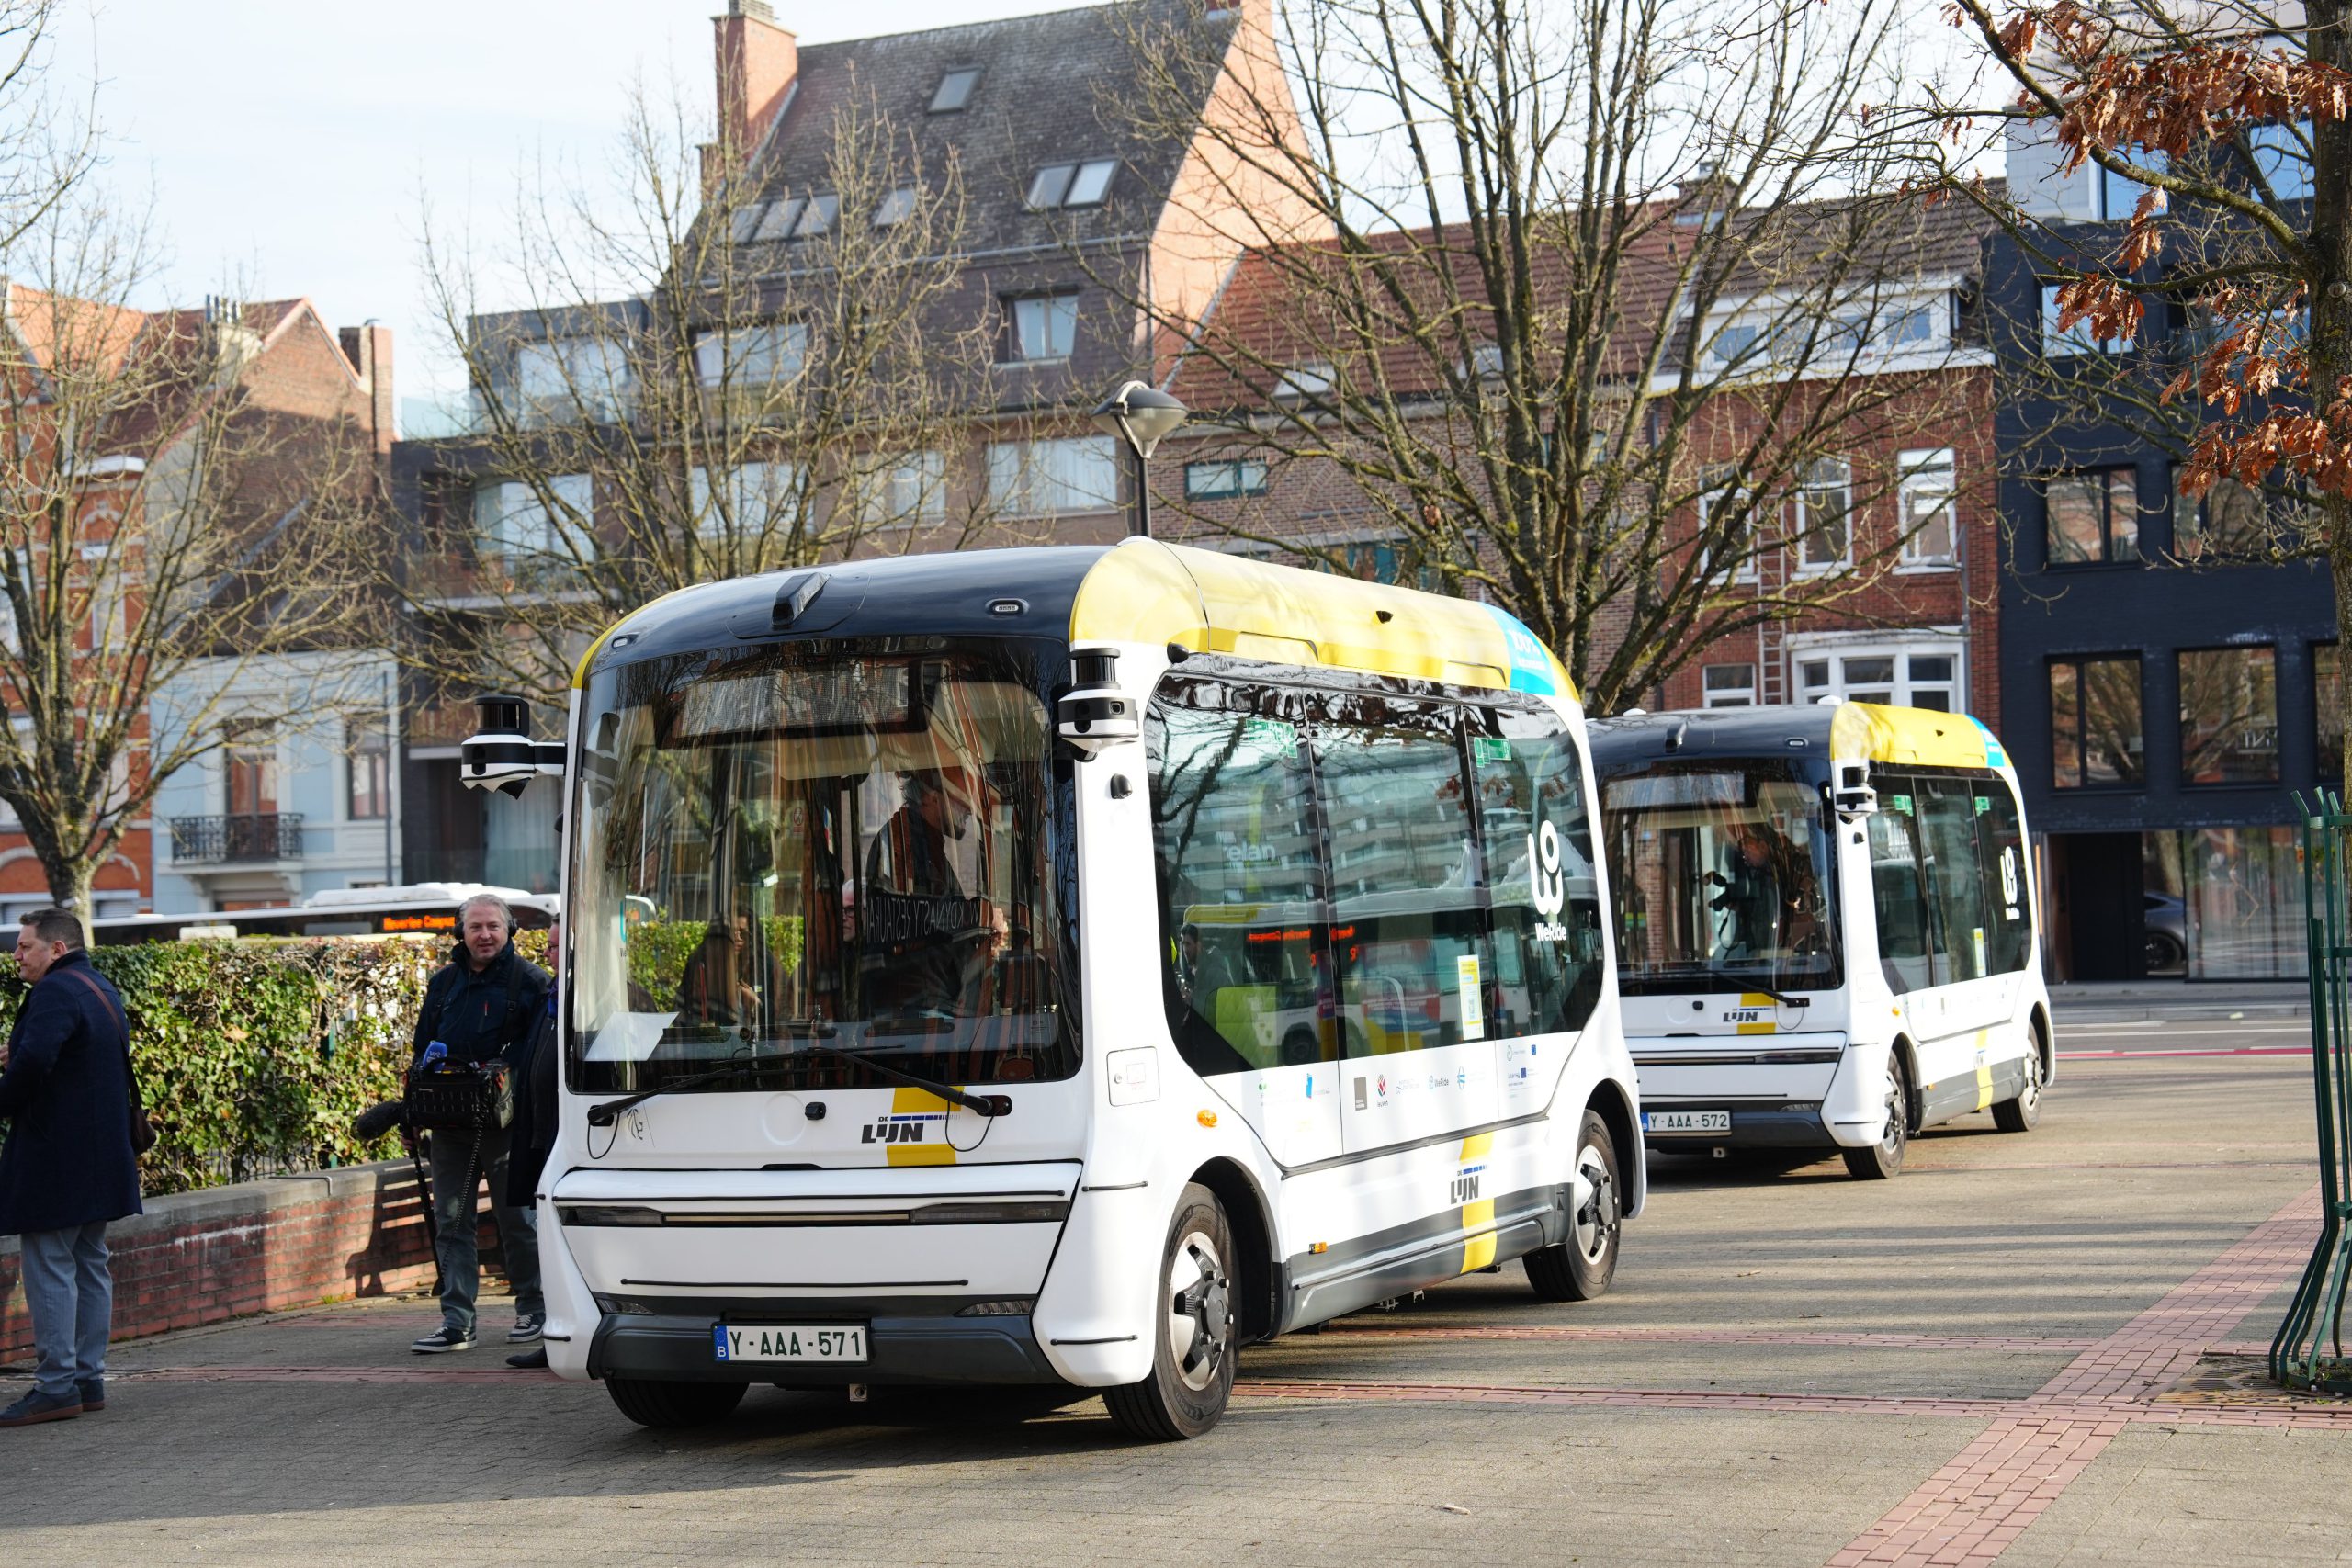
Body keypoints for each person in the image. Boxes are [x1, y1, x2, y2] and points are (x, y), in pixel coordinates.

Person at [0, 907, 141, 1428]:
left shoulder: (54, 992)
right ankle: (87, 1379)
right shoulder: (98, 985)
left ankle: (56, 1386)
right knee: (89, 1262)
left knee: (50, 1266)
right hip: (101, 1155)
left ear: (56, 949)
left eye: (25, 946)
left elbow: (37, 1063)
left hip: (56, 1156)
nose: (16, 956)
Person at [408, 894, 549, 1354]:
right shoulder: (442, 984)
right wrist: (415, 1102)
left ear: (509, 931)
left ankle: (535, 1310)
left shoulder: (531, 981)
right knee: (451, 1222)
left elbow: (542, 1057)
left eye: (493, 926)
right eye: (476, 927)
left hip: (508, 1123)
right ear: (460, 933)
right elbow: (421, 1048)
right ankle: (457, 1322)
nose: (485, 935)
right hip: (449, 1124)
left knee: (519, 1220)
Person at [862, 765, 1006, 1019]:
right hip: (915, 1014)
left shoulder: (928, 846)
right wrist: (980, 916)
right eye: (962, 799)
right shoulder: (900, 843)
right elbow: (906, 914)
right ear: (931, 796)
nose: (970, 811)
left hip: (930, 1005)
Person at [503, 917, 562, 1371]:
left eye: (559, 947)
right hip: (542, 1141)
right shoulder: (550, 999)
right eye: (548, 947)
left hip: (577, 1143)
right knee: (548, 1241)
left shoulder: (608, 996)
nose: (550, 955)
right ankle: (553, 1333)